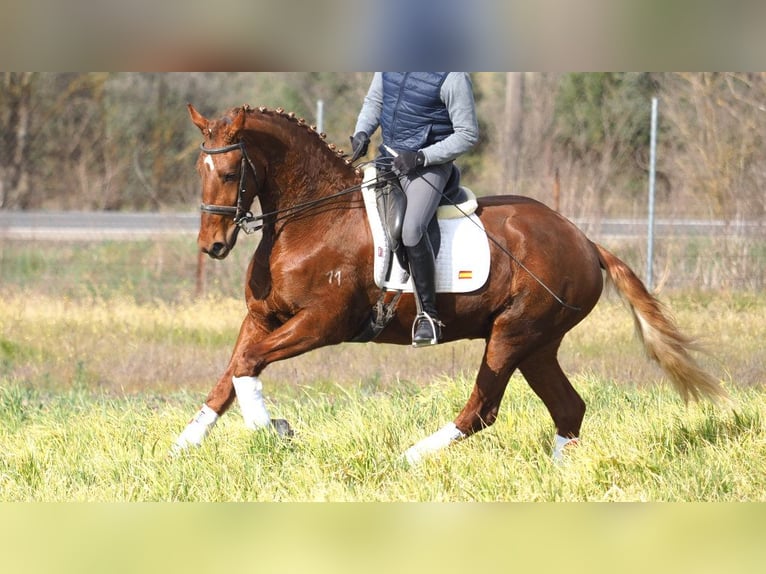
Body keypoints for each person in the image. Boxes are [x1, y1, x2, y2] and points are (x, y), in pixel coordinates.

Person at [349, 72, 479, 346]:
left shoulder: (452, 76)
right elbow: (375, 100)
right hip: (388, 159)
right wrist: (362, 131)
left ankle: (428, 316)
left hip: (428, 166)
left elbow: (467, 134)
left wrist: (422, 157)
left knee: (411, 230)